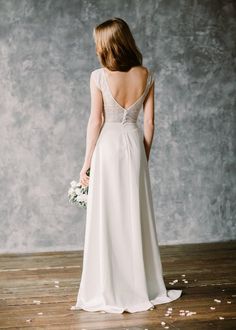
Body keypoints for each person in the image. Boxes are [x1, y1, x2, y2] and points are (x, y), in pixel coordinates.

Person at [71, 17, 182, 314]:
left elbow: (96, 121)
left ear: (107, 44)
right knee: (134, 212)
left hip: (107, 148)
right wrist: (143, 157)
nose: (96, 48)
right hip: (134, 145)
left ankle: (109, 283)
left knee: (108, 214)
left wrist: (86, 164)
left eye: (98, 42)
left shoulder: (98, 76)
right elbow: (149, 123)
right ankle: (139, 283)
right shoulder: (146, 74)